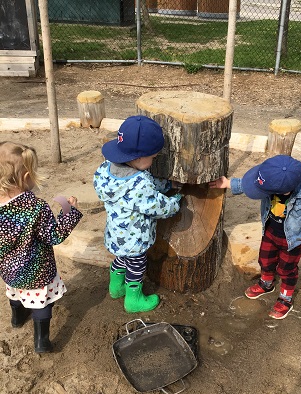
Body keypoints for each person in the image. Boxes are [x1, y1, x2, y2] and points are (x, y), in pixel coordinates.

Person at [209, 154, 301, 319]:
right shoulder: (270, 180)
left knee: (286, 269)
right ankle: (266, 283)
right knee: (265, 259)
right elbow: (250, 184)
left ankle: (285, 298)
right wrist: (228, 183)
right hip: (270, 232)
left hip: (293, 239)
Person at [93, 115, 182, 314]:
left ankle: (116, 288)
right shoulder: (139, 183)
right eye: (153, 157)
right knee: (137, 265)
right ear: (140, 158)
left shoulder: (105, 169)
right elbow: (156, 206)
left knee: (120, 259)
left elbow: (145, 187)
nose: (154, 161)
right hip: (135, 240)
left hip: (116, 234)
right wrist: (175, 202)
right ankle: (133, 300)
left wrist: (166, 184)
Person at [0, 141, 83, 352]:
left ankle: (17, 319)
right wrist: (68, 211)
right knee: (41, 304)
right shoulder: (36, 207)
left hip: (10, 270)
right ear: (26, 177)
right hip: (37, 271)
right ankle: (41, 341)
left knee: (15, 294)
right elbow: (53, 236)